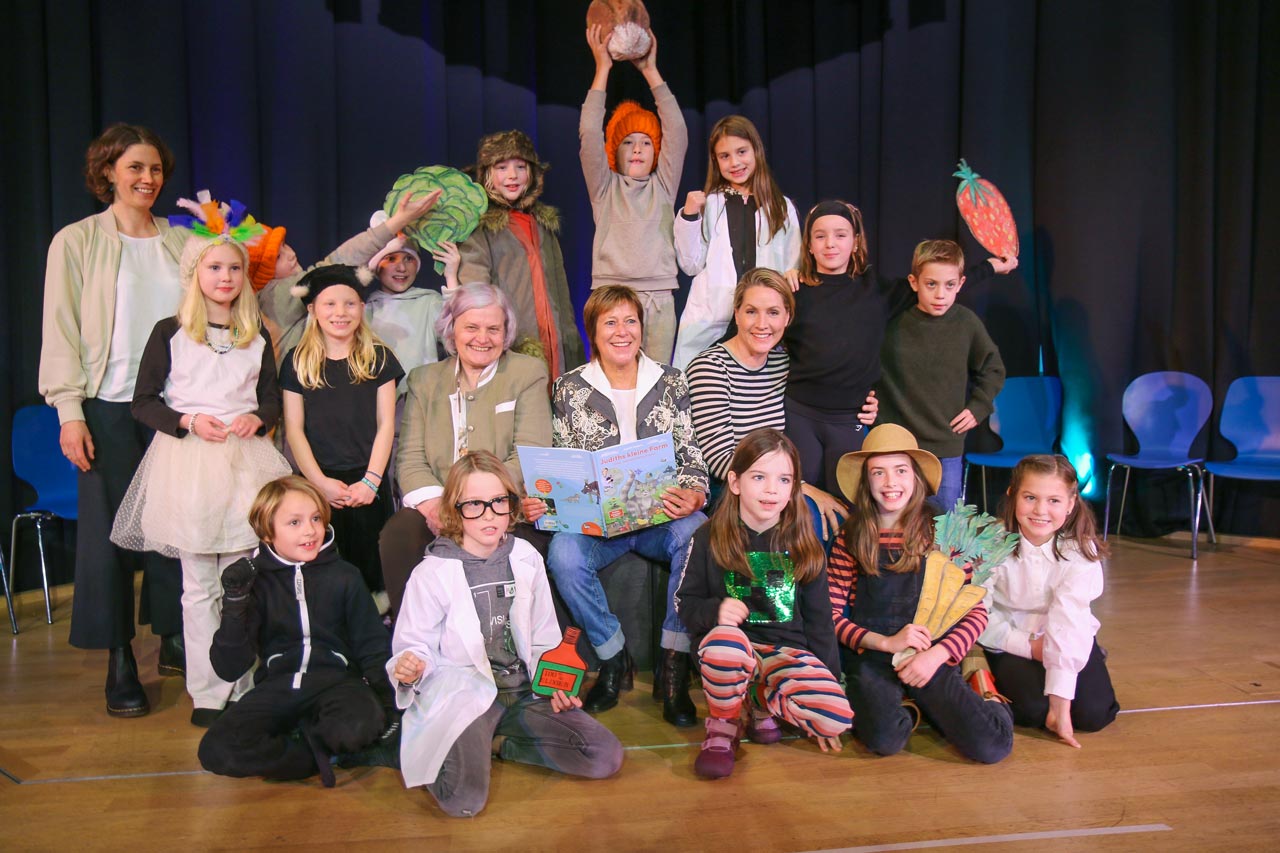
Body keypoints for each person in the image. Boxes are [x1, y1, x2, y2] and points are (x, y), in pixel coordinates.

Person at [110, 224, 291, 726]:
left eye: (234, 268)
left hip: (245, 464)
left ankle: (243, 682)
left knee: (243, 580)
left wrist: (261, 417)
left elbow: (271, 397)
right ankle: (207, 691)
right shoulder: (169, 332)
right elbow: (143, 402)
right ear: (196, 274)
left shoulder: (255, 335)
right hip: (188, 464)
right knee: (198, 585)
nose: (226, 277)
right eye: (215, 267)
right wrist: (187, 421)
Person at [39, 124, 188, 717]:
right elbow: (60, 330)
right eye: (134, 169)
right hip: (106, 404)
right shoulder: (76, 242)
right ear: (107, 174)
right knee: (109, 539)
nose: (147, 179)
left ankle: (176, 636)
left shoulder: (183, 242)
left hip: (174, 405)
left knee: (176, 528)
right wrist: (69, 412)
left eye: (154, 169)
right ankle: (120, 658)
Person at [390, 452, 623, 818]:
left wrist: (555, 684)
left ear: (511, 504)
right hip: (467, 698)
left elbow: (545, 635)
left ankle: (499, 742)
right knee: (463, 801)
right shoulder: (432, 572)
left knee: (603, 756)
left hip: (523, 692)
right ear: (454, 508)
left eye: (498, 502)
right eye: (475, 504)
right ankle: (470, 742)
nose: (488, 514)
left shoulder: (526, 556)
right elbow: (413, 643)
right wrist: (411, 665)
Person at [544, 285, 708, 727]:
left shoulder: (672, 380)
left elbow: (691, 455)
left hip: (660, 520)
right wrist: (570, 503)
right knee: (563, 553)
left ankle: (674, 666)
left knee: (698, 533)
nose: (622, 331)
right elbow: (566, 464)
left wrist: (693, 493)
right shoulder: (569, 388)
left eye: (630, 321)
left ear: (642, 328)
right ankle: (613, 657)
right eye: (610, 322)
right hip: (602, 526)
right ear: (593, 333)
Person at [784, 201, 1016, 493]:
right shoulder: (793, 291)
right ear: (808, 244)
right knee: (802, 501)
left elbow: (939, 281)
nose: (830, 243)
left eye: (841, 234)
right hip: (802, 414)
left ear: (856, 242)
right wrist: (783, 276)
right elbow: (760, 326)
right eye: (820, 236)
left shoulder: (877, 292)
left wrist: (991, 266)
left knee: (850, 503)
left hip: (851, 420)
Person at [828, 424, 1013, 763]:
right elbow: (833, 615)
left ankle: (984, 693)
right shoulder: (850, 536)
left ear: (916, 477)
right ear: (866, 481)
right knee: (884, 739)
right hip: (873, 653)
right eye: (878, 473)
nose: (890, 483)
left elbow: (975, 610)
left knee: (991, 747)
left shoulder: (943, 533)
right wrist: (884, 643)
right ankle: (914, 706)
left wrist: (938, 655)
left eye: (900, 471)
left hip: (930, 653)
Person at [674, 429, 852, 778]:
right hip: (729, 649)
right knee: (728, 643)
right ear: (736, 482)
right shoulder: (708, 536)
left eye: (784, 479)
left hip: (783, 653)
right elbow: (685, 603)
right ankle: (723, 727)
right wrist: (716, 611)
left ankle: (758, 699)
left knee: (836, 717)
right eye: (759, 477)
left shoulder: (805, 543)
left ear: (793, 487)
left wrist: (827, 682)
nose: (772, 489)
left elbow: (820, 623)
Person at [197, 477, 394, 787]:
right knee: (216, 750)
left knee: (360, 724)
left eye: (316, 518)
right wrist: (236, 603)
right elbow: (229, 667)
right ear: (266, 531)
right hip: (279, 685)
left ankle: (308, 740)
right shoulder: (255, 583)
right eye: (294, 522)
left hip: (338, 683)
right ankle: (310, 755)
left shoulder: (345, 576)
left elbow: (372, 644)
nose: (309, 530)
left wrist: (389, 701)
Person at [378, 283, 552, 616]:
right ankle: (414, 648)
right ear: (451, 329)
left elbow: (530, 453)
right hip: (438, 503)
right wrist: (435, 508)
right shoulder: (423, 380)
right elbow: (411, 459)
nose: (482, 338)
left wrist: (479, 506)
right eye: (471, 327)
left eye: (493, 329)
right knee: (399, 534)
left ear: (506, 332)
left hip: (504, 505)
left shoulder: (526, 373)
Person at [685, 268, 875, 542]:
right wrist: (797, 487)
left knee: (836, 514)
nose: (762, 324)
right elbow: (721, 460)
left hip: (780, 484)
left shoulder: (783, 363)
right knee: (807, 516)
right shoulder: (710, 367)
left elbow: (827, 394)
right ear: (736, 314)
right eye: (751, 311)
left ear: (787, 317)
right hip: (732, 488)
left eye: (773, 312)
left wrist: (865, 405)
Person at [979, 454, 1120, 748]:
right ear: (1012, 495)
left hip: (1065, 633)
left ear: (1070, 504)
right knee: (1031, 711)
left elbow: (1067, 620)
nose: (1040, 510)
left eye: (1054, 501)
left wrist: (1061, 707)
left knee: (1094, 716)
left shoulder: (1079, 550)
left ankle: (1083, 659)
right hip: (1009, 637)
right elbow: (977, 612)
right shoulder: (989, 543)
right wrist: (1028, 646)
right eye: (1030, 497)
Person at [281, 264, 404, 598]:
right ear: (313, 310)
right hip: (319, 484)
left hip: (367, 484)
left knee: (370, 566)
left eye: (349, 304)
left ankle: (376, 626)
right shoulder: (296, 361)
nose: (340, 313)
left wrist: (371, 481)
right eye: (330, 304)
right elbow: (294, 429)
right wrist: (319, 483)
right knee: (325, 567)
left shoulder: (379, 359)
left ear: (362, 309)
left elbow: (386, 425)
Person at [580, 23, 686, 362]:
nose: (638, 149)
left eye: (646, 142)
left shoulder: (664, 186)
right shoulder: (604, 187)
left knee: (655, 381)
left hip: (659, 296)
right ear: (615, 151)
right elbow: (588, 133)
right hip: (611, 293)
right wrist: (603, 69)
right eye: (628, 142)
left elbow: (678, 131)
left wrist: (651, 71)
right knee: (609, 380)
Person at [876, 239, 1005, 509]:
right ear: (914, 282)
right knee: (892, 524)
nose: (940, 295)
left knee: (944, 530)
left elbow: (993, 368)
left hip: (945, 448)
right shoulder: (892, 323)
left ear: (960, 284)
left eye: (949, 285)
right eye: (931, 284)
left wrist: (978, 408)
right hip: (895, 444)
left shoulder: (966, 323)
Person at [671, 115, 800, 369]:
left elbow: (792, 263)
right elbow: (690, 264)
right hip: (712, 321)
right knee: (699, 388)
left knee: (755, 394)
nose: (735, 162)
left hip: (761, 321)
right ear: (715, 161)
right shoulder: (709, 205)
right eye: (725, 156)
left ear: (756, 150)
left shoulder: (780, 207)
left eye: (741, 151)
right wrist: (689, 215)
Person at [257, 191, 441, 367]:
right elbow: (333, 264)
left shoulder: (428, 301)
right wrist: (397, 222)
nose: (290, 254)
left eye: (285, 245)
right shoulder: (273, 296)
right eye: (278, 257)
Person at [459, 129, 584, 379]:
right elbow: (476, 295)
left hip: (556, 347)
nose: (512, 175)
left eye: (520, 166)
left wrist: (572, 346)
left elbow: (562, 297)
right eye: (502, 167)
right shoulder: (479, 229)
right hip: (512, 349)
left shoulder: (543, 226)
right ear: (486, 174)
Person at [363, 209, 453, 385]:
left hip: (422, 402)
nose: (402, 268)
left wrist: (451, 278)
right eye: (391, 259)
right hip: (379, 404)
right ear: (376, 266)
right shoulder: (366, 310)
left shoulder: (429, 302)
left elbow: (457, 336)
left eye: (408, 259)